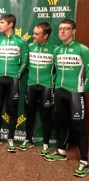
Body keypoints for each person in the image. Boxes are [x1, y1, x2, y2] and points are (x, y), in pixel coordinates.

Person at [44, 19, 89, 178]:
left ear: (74, 31)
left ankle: (84, 161)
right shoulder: (56, 51)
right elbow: (56, 72)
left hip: (74, 93)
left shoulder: (82, 49)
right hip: (59, 91)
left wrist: (83, 89)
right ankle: (62, 151)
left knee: (78, 126)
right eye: (60, 29)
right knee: (61, 123)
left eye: (67, 29)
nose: (62, 32)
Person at [0, 14, 28, 152]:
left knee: (12, 109)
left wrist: (17, 74)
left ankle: (11, 139)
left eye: (2, 22)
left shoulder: (20, 42)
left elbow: (24, 61)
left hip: (13, 80)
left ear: (10, 24)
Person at [19, 22, 56, 154]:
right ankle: (28, 139)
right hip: (31, 84)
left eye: (36, 34)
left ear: (45, 35)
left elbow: (57, 70)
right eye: (33, 32)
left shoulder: (54, 49)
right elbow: (26, 63)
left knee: (46, 115)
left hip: (47, 86)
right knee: (30, 114)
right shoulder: (30, 46)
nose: (33, 35)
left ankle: (45, 143)